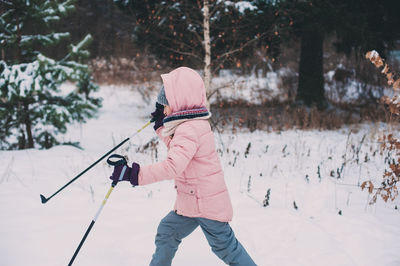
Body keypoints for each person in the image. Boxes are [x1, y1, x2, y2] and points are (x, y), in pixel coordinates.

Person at [109, 67, 256, 266]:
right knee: (168, 231)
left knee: (227, 249)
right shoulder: (192, 124)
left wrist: (134, 174)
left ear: (179, 102)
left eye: (166, 105)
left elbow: (173, 166)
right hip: (193, 202)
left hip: (205, 204)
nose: (164, 109)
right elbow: (179, 148)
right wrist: (162, 127)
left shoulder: (189, 129)